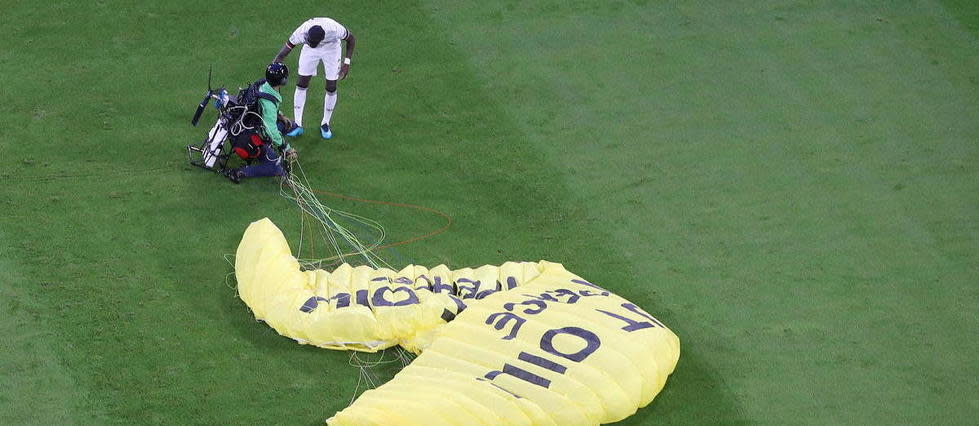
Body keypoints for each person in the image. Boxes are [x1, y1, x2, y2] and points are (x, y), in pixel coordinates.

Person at [273, 17, 356, 140]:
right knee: (302, 82)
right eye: (308, 41)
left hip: (331, 49)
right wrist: (273, 68)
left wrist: (347, 63)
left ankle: (325, 123)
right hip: (310, 52)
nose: (308, 42)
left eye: (312, 42)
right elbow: (283, 53)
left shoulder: (334, 29)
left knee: (331, 86)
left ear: (321, 39)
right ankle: (297, 124)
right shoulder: (302, 32)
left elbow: (351, 39)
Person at [223, 63, 299, 184]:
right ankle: (240, 172)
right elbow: (270, 130)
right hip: (250, 139)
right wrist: (286, 148)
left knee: (289, 125)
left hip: (248, 127)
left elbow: (266, 109)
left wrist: (280, 115)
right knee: (276, 168)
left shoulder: (263, 85)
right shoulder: (268, 102)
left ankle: (270, 146)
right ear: (282, 80)